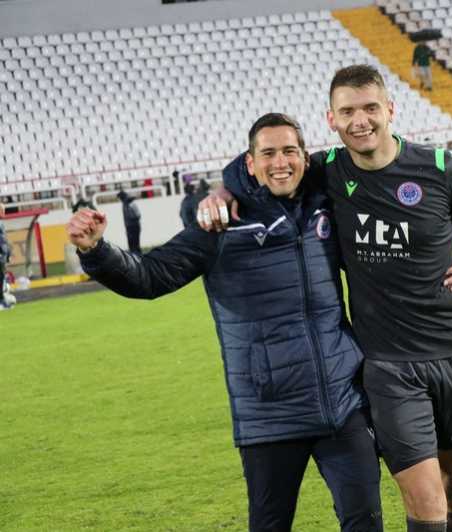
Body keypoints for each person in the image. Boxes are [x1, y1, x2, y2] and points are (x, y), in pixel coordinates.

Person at [200, 64, 452, 532]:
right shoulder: (326, 169)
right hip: (386, 365)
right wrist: (221, 190)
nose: (360, 120)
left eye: (370, 108)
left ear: (390, 109)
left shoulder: (442, 169)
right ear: (331, 119)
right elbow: (263, 163)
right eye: (347, 111)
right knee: (425, 495)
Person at [65, 114, 393, 532]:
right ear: (250, 163)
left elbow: (392, 235)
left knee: (366, 523)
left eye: (289, 151)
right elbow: (150, 277)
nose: (280, 162)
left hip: (342, 405)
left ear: (305, 158)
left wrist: (446, 257)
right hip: (269, 415)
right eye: (268, 153)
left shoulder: (326, 205)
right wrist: (96, 250)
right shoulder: (220, 225)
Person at [117, 190, 142, 255]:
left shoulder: (130, 204)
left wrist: (131, 220)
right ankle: (135, 255)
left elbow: (138, 215)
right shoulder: (125, 204)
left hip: (133, 226)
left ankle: (137, 255)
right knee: (132, 243)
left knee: (135, 243)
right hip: (130, 226)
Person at [0, 202, 15, 310]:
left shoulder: (1, 223)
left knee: (2, 279)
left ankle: (2, 300)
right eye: (1, 210)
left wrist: (8, 253)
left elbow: (4, 241)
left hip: (2, 256)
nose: (3, 212)